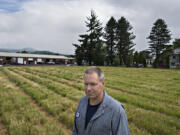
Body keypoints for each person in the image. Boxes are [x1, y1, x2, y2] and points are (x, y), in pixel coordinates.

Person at [72, 66, 130, 135]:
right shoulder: (82, 102)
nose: (88, 89)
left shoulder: (116, 111)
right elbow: (75, 131)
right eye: (86, 84)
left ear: (102, 84)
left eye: (93, 84)